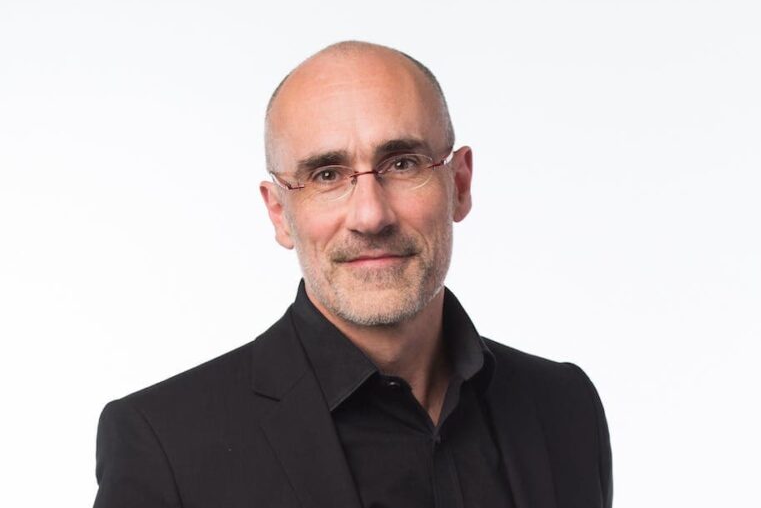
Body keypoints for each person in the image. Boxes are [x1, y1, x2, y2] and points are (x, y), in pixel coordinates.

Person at [93, 41, 613, 508]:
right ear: (279, 213)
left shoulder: (564, 408)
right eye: (327, 175)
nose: (371, 216)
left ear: (459, 182)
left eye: (403, 164)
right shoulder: (167, 446)